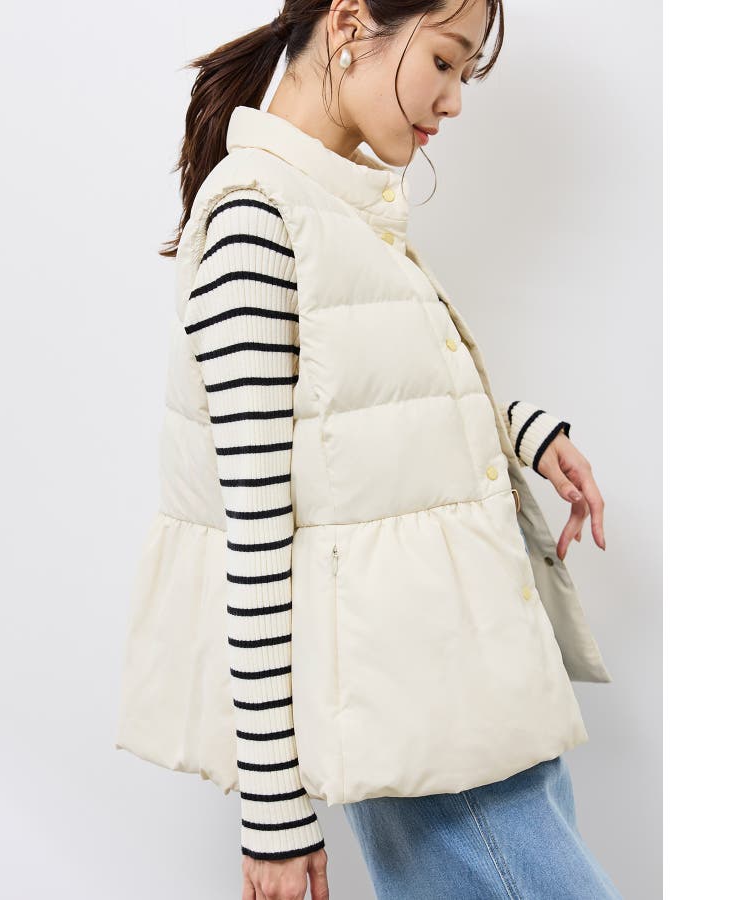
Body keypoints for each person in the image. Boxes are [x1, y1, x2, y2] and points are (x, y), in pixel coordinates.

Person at [115, 2, 621, 898]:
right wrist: (274, 812)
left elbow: (361, 411)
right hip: (422, 714)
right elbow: (253, 535)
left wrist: (523, 430)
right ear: (351, 24)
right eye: (445, 60)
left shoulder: (332, 207)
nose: (454, 100)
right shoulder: (256, 224)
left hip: (467, 692)